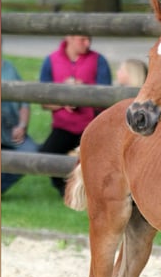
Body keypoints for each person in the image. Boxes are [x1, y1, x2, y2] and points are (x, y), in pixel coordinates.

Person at [38, 35, 112, 196]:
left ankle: (94, 193)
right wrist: (64, 101)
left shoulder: (99, 61)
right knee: (45, 156)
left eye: (89, 39)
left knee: (101, 161)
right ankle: (65, 191)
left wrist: (83, 92)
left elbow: (106, 101)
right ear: (69, 38)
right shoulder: (50, 61)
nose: (88, 43)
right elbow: (43, 102)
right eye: (82, 39)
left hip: (91, 126)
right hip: (63, 127)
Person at [1, 58, 37, 195]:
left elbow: (24, 103)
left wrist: (22, 126)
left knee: (31, 152)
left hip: (11, 130)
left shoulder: (9, 68)